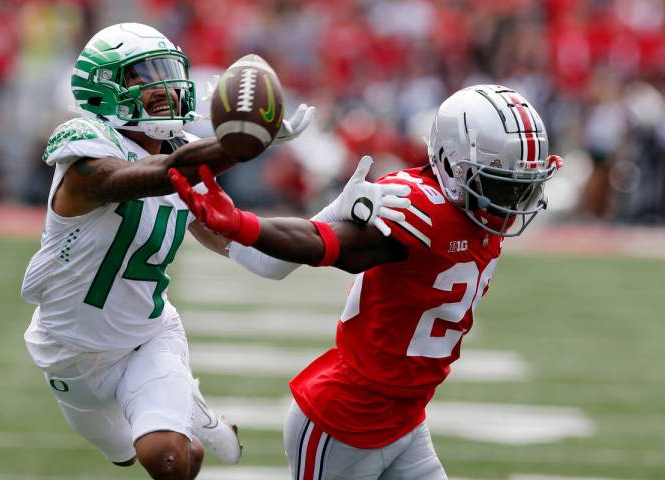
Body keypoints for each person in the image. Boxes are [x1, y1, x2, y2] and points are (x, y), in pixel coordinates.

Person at [169, 84, 564, 480]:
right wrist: (243, 225)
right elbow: (323, 245)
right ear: (452, 164)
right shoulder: (416, 207)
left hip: (406, 419)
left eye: (521, 187)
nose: (511, 203)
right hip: (343, 422)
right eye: (501, 185)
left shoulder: (478, 213)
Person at [19, 22, 320, 479]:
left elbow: (260, 259)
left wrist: (335, 220)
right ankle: (195, 410)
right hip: (67, 352)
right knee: (141, 453)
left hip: (147, 337)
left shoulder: (185, 158)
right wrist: (238, 143)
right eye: (141, 76)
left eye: (164, 71)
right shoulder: (85, 150)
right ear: (103, 89)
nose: (161, 86)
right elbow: (144, 177)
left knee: (166, 457)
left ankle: (176, 404)